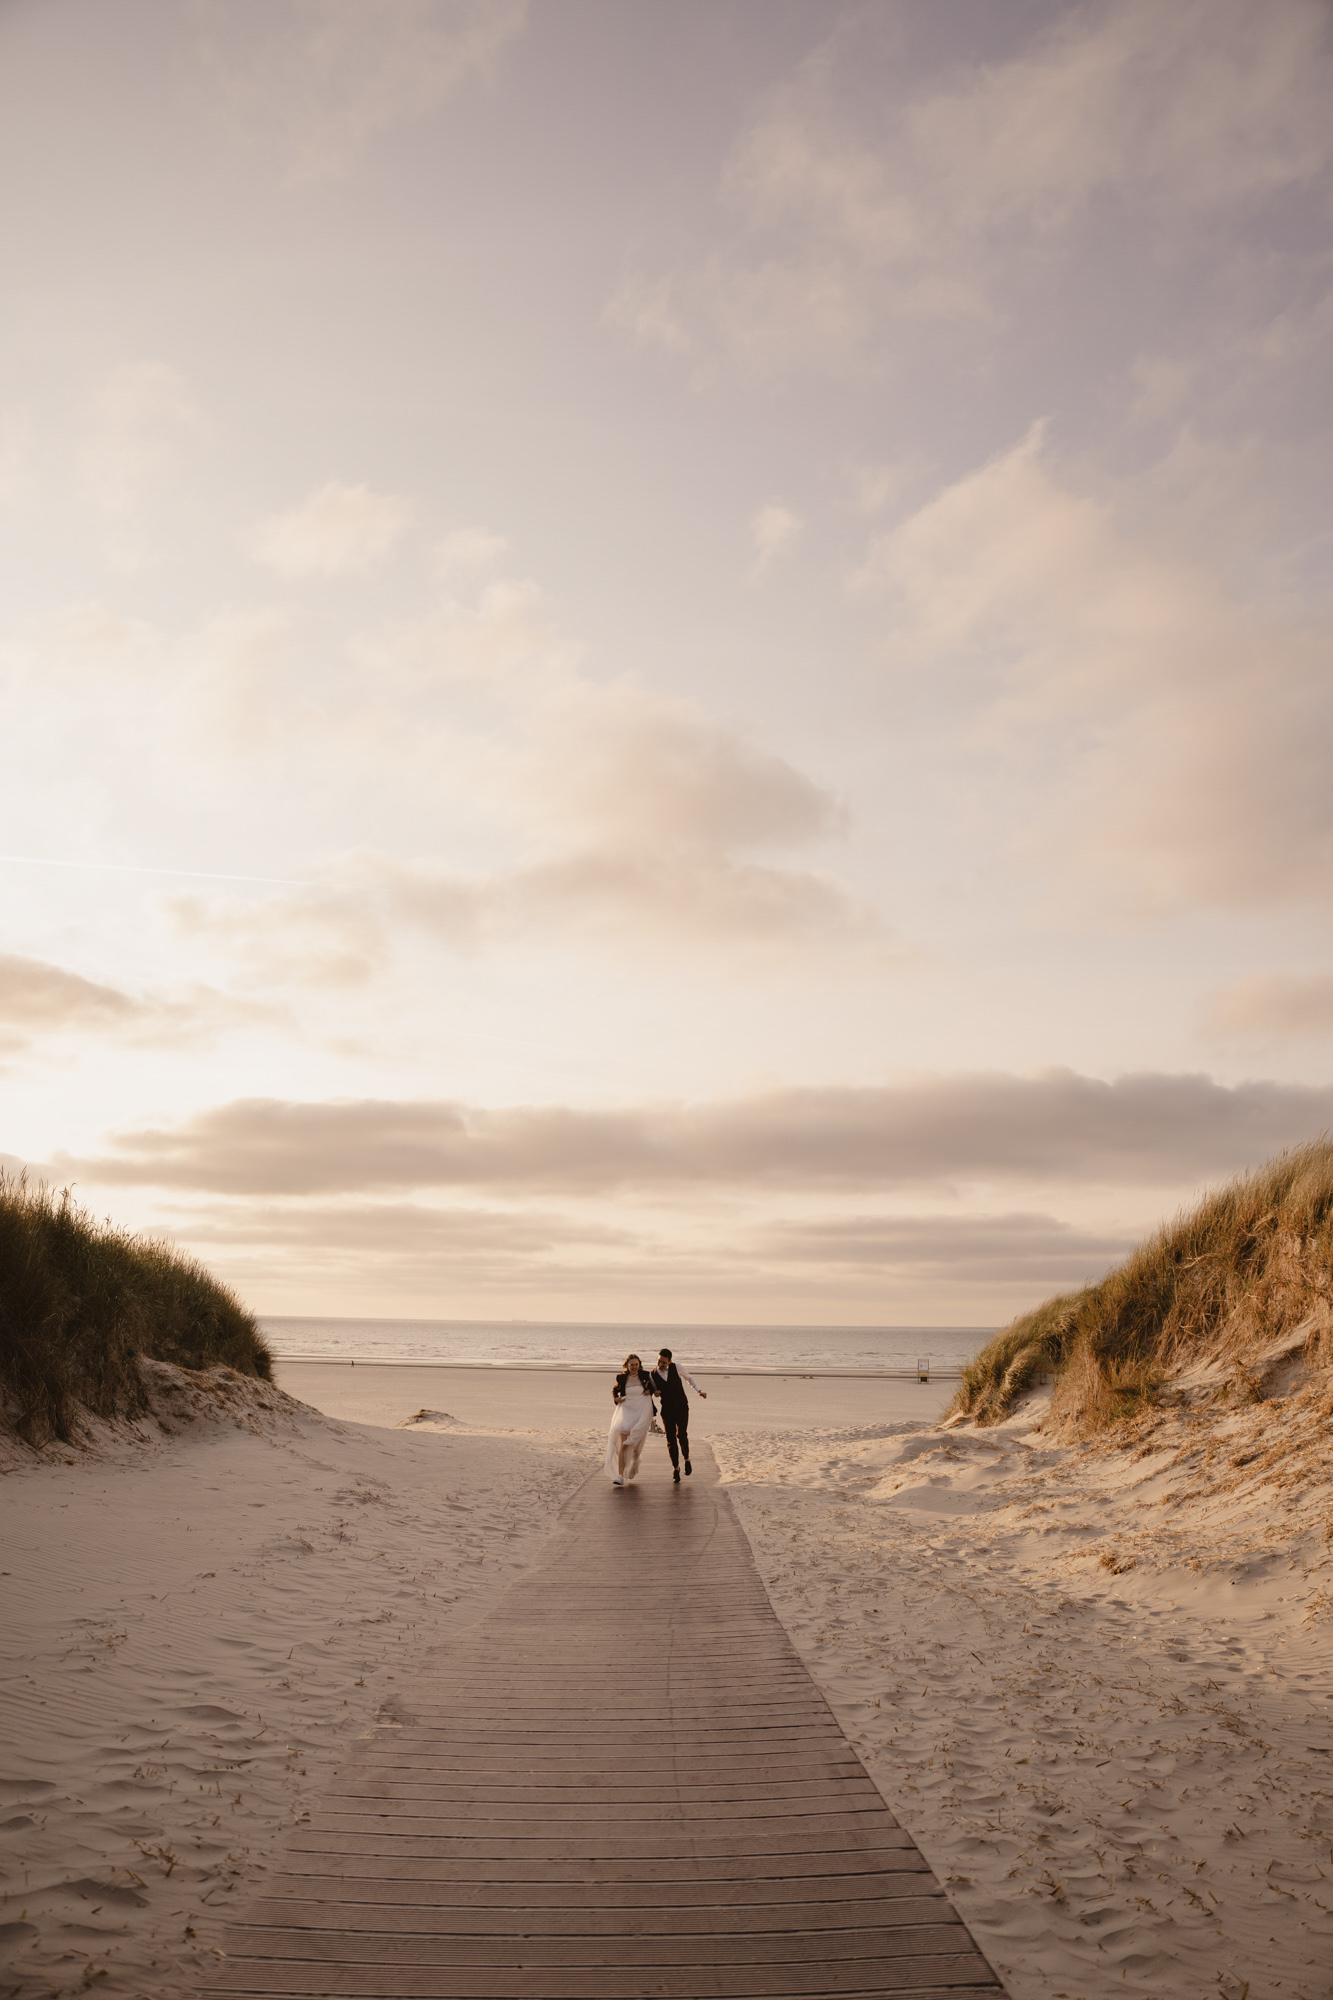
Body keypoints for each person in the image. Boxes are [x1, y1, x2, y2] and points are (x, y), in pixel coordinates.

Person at [649, 1346, 706, 1482]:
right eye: (659, 1361)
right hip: (667, 1411)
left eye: (663, 1362)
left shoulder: (678, 1367)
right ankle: (676, 1468)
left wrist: (698, 1391)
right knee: (670, 1440)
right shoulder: (653, 1375)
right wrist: (655, 1392)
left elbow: (689, 1379)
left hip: (681, 1407)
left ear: (669, 1361)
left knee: (681, 1435)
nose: (660, 1364)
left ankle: (686, 1459)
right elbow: (653, 1390)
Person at [605, 1352, 656, 1487]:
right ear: (627, 1365)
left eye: (636, 1364)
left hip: (641, 1412)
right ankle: (620, 1476)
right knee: (624, 1443)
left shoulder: (645, 1375)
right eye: (631, 1365)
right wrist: (615, 1398)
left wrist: (649, 1390)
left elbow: (654, 1387)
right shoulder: (621, 1377)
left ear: (639, 1365)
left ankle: (635, 1462)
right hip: (626, 1411)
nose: (634, 1367)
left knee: (635, 1446)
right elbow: (615, 1390)